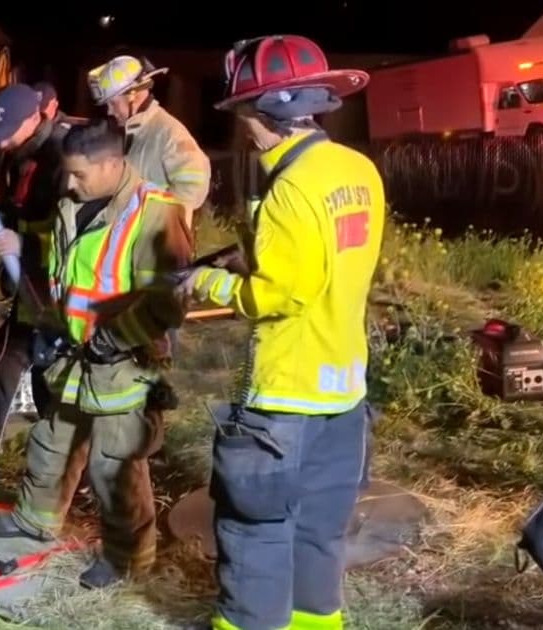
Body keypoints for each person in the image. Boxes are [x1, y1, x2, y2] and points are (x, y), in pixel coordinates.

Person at [175, 35, 385, 630]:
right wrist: (253, 259)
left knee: (255, 534)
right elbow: (333, 260)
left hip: (285, 397)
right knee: (319, 531)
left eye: (240, 109)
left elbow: (281, 296)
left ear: (257, 114)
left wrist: (213, 287)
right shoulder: (356, 169)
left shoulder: (287, 190)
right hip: (344, 392)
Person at [0, 120, 194, 589]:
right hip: (73, 355)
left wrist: (115, 338)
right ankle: (36, 522)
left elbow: (169, 302)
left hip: (123, 363)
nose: (70, 184)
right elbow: (68, 267)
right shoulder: (70, 205)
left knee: (114, 464)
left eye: (79, 175)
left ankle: (129, 559)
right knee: (52, 441)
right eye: (67, 175)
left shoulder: (155, 213)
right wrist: (28, 249)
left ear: (113, 164)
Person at [0, 84, 64, 438]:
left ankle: (56, 431)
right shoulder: (17, 151)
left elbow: (72, 234)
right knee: (11, 344)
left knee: (46, 353)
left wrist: (27, 244)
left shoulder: (60, 160)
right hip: (25, 272)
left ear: (34, 118)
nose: (1, 143)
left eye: (7, 135)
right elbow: (17, 201)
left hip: (52, 277)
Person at [87, 55, 212, 224]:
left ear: (133, 95)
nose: (109, 111)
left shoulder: (168, 133)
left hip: (152, 243)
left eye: (113, 104)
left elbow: (193, 189)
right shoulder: (132, 131)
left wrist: (153, 220)